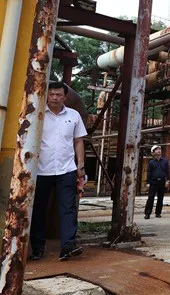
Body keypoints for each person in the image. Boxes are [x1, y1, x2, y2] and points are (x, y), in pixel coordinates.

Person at [29, 81, 87, 261]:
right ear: (47, 95)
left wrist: (81, 167)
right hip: (41, 170)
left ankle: (67, 246)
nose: (55, 98)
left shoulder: (74, 115)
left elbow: (78, 141)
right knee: (38, 209)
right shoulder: (37, 114)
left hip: (66, 169)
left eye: (58, 95)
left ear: (65, 97)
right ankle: (37, 248)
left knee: (68, 209)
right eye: (52, 94)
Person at [145, 145, 170, 219]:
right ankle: (147, 213)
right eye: (156, 149)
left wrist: (167, 180)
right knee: (151, 198)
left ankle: (158, 212)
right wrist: (148, 183)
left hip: (162, 181)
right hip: (153, 182)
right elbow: (149, 173)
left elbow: (167, 171)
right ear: (153, 152)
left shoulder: (165, 161)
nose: (159, 150)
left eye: (159, 149)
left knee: (160, 198)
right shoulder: (151, 162)